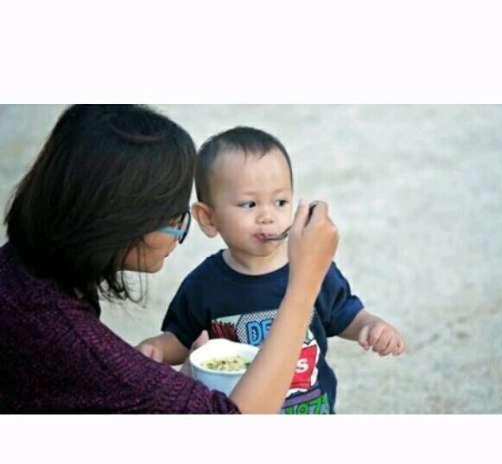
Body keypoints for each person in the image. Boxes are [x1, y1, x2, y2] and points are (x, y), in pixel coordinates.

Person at [0, 106, 338, 414]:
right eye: (174, 213)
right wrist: (304, 282)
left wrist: (181, 384)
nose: (180, 229)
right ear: (119, 219)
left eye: (280, 202)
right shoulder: (75, 344)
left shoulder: (24, 277)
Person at [137, 126, 405, 414]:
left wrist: (371, 326)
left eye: (280, 202)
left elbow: (346, 314)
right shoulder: (204, 283)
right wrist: (158, 349)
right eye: (249, 204)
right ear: (208, 218)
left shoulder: (309, 266)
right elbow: (182, 339)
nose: (267, 216)